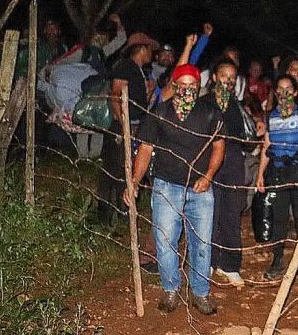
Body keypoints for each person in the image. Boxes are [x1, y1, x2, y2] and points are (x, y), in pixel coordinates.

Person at [125, 64, 225, 315]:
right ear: (175, 85)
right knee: (166, 241)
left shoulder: (210, 113)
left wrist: (208, 176)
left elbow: (219, 146)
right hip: (166, 187)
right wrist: (135, 181)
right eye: (184, 85)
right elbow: (145, 148)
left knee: (201, 243)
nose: (188, 90)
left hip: (200, 189)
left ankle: (200, 294)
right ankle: (170, 290)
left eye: (194, 86)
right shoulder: (159, 113)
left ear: (198, 88)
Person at [256, 74, 298, 279]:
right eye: (280, 90)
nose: (284, 94)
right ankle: (277, 259)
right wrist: (260, 175)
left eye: (288, 90)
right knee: (279, 218)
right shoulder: (271, 117)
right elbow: (267, 146)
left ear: (294, 92)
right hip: (278, 172)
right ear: (275, 92)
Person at [96, 31, 157, 225]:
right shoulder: (125, 67)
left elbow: (134, 102)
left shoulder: (138, 70)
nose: (152, 55)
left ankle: (120, 214)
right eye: (149, 50)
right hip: (122, 128)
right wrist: (124, 127)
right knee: (114, 170)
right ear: (141, 49)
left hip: (132, 125)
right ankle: (107, 215)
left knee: (123, 170)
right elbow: (115, 96)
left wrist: (148, 93)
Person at [206, 58, 248, 287]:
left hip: (232, 165)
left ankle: (230, 265)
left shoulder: (237, 106)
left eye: (232, 78)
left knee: (231, 213)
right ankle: (210, 262)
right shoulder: (203, 104)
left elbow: (244, 137)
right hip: (210, 166)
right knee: (210, 214)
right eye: (224, 76)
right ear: (214, 77)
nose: (229, 81)